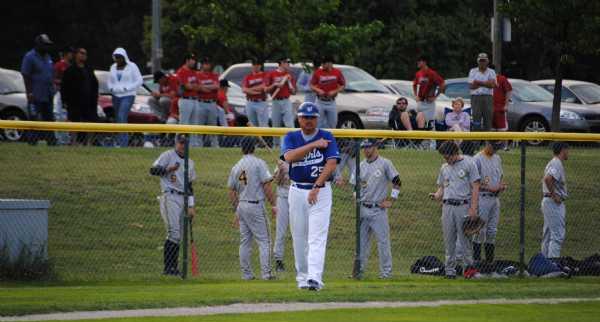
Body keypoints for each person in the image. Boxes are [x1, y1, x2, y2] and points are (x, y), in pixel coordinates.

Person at [281, 102, 340, 291]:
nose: (308, 120)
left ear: (317, 118)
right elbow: (289, 157)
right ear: (298, 118)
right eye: (305, 117)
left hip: (321, 191)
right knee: (298, 237)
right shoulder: (291, 136)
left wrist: (317, 185)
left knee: (317, 236)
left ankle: (315, 278)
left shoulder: (327, 136)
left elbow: (331, 164)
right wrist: (314, 145)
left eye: (312, 117)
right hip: (297, 190)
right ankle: (302, 278)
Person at [350, 139, 401, 279]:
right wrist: (355, 195)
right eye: (364, 147)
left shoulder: (385, 163)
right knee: (361, 244)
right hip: (363, 208)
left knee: (383, 243)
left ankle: (386, 273)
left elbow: (397, 182)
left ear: (375, 147)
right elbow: (354, 186)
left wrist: (392, 200)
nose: (366, 150)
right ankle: (358, 273)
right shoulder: (360, 165)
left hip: (378, 209)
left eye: (369, 147)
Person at [228, 137, 277, 280]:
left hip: (242, 204)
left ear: (242, 148)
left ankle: (246, 275)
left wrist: (236, 210)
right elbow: (266, 185)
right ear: (254, 148)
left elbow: (231, 191)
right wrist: (273, 204)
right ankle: (267, 274)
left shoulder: (236, 166)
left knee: (245, 241)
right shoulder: (259, 163)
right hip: (255, 204)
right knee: (265, 240)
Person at [430, 141, 480, 279]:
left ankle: (468, 269)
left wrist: (473, 208)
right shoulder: (444, 167)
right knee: (449, 240)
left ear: (455, 153)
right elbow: (442, 187)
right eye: (444, 157)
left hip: (463, 205)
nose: (446, 159)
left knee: (465, 240)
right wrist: (436, 195)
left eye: (448, 157)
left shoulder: (469, 164)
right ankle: (450, 270)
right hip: (447, 207)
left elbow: (475, 187)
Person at [149, 134, 196, 276]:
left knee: (179, 235)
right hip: (170, 196)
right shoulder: (168, 155)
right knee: (174, 233)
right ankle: (168, 268)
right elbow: (152, 170)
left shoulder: (191, 162)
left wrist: (191, 205)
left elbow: (190, 185)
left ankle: (173, 269)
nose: (182, 145)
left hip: (184, 199)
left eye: (185, 143)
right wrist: (168, 169)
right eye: (180, 142)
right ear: (176, 143)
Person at [472, 141, 507, 263]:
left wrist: (500, 185)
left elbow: (500, 176)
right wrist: (491, 188)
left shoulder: (497, 158)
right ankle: (476, 261)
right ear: (487, 143)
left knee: (492, 230)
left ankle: (489, 262)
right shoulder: (477, 159)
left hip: (495, 199)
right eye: (494, 146)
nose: (496, 150)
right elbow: (473, 182)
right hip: (482, 198)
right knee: (480, 230)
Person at [21, 34, 57, 145]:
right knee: (34, 118)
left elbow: (50, 73)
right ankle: (32, 141)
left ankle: (51, 141)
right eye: (45, 45)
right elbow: (25, 74)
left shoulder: (48, 57)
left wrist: (53, 87)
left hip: (48, 93)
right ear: (38, 44)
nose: (47, 47)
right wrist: (29, 92)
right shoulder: (30, 57)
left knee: (49, 118)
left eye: (48, 45)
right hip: (35, 94)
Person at [61, 47, 99, 145]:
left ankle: (89, 143)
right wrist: (64, 101)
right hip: (74, 102)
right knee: (74, 121)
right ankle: (73, 142)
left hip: (89, 102)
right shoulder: (70, 70)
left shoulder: (89, 69)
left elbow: (95, 85)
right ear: (76, 55)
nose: (83, 55)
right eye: (81, 53)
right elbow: (64, 86)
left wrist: (94, 99)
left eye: (85, 54)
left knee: (91, 121)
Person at [107, 47, 143, 147]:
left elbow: (139, 80)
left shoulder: (132, 66)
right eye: (116, 57)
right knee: (118, 119)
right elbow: (109, 81)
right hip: (115, 95)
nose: (118, 59)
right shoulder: (113, 67)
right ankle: (119, 141)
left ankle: (124, 143)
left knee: (122, 116)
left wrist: (128, 88)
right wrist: (111, 88)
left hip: (128, 95)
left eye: (120, 57)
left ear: (124, 57)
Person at [541, 142, 569, 259]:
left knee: (547, 235)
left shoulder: (554, 162)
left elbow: (546, 179)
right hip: (553, 202)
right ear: (563, 150)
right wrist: (554, 195)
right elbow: (548, 179)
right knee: (557, 235)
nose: (568, 153)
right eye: (567, 150)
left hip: (548, 201)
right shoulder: (557, 163)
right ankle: (553, 264)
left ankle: (544, 264)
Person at [267, 57, 296, 147]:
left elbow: (294, 91)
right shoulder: (272, 74)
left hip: (286, 100)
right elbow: (266, 89)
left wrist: (289, 82)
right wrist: (275, 84)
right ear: (281, 63)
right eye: (287, 62)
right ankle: (276, 145)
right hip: (275, 101)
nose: (288, 64)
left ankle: (292, 145)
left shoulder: (289, 75)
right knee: (275, 125)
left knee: (289, 124)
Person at [310, 55, 345, 129]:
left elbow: (343, 85)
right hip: (320, 101)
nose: (322, 65)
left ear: (329, 63)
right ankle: (318, 139)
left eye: (324, 63)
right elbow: (311, 85)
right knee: (317, 124)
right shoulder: (318, 72)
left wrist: (335, 91)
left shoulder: (337, 72)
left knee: (333, 124)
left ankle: (330, 139)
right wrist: (318, 90)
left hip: (331, 101)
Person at [468, 53, 497, 131]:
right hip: (476, 97)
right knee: (476, 118)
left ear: (487, 61)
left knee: (488, 118)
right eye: (481, 60)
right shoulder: (473, 71)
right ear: (478, 61)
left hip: (488, 97)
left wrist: (478, 82)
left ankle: (487, 141)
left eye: (484, 60)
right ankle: (476, 142)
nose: (482, 62)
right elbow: (471, 86)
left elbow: (493, 85)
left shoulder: (492, 72)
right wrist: (486, 83)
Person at [176, 53, 201, 146]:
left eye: (194, 59)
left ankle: (193, 145)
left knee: (195, 124)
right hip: (185, 100)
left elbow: (199, 86)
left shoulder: (193, 72)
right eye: (192, 59)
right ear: (187, 60)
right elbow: (187, 86)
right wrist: (193, 86)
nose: (194, 61)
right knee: (184, 123)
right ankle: (180, 144)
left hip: (195, 100)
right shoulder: (181, 71)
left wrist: (193, 86)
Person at [412, 55, 445, 123]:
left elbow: (442, 84)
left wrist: (435, 96)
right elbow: (414, 85)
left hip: (429, 103)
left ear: (424, 62)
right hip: (420, 102)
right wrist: (416, 96)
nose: (417, 63)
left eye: (419, 61)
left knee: (429, 123)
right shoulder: (418, 73)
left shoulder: (432, 73)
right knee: (420, 122)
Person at [196, 57, 220, 147]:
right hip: (200, 103)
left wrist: (204, 88)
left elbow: (216, 86)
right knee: (200, 127)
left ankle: (215, 146)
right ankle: (199, 146)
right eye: (205, 63)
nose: (207, 65)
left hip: (212, 103)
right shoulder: (197, 75)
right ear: (202, 64)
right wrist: (209, 87)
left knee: (213, 126)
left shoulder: (214, 75)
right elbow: (198, 87)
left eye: (208, 63)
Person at [273, 159, 291, 272]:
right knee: (281, 230)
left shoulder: (302, 159)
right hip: (283, 198)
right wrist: (281, 171)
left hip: (298, 198)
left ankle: (304, 261)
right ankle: (278, 260)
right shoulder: (282, 162)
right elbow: (276, 181)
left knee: (300, 230)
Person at [491, 65, 512, 150]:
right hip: (489, 109)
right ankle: (491, 146)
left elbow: (509, 91)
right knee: (491, 129)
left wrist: (506, 105)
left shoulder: (502, 79)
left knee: (502, 128)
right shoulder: (485, 80)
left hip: (500, 108)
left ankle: (504, 146)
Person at [242, 59, 269, 127]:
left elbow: (263, 86)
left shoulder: (265, 75)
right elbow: (244, 90)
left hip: (261, 102)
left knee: (263, 125)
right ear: (252, 66)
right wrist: (255, 93)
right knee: (253, 126)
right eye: (254, 65)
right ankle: (257, 138)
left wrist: (250, 90)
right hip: (250, 102)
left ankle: (264, 138)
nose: (256, 66)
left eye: (257, 65)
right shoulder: (248, 77)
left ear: (260, 66)